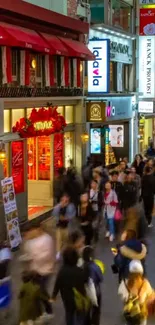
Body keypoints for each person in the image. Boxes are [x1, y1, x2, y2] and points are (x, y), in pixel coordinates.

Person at [20, 225, 54, 317]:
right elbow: (27, 252)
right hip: (34, 271)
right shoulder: (29, 240)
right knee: (36, 293)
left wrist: (33, 257)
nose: (28, 234)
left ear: (36, 229)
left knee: (42, 291)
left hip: (45, 271)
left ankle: (49, 310)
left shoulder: (47, 239)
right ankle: (38, 312)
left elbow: (47, 256)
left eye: (30, 231)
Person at [52, 247, 90, 325]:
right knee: (80, 315)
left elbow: (57, 284)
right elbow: (86, 280)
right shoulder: (79, 271)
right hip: (79, 298)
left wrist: (54, 296)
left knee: (69, 314)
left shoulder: (62, 271)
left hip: (67, 299)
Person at [118, 260, 154, 325]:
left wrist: (129, 299)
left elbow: (121, 295)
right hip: (141, 315)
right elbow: (151, 297)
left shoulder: (124, 283)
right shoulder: (145, 284)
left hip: (130, 314)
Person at [82, 246, 104, 325]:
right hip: (96, 291)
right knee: (96, 311)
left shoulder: (82, 266)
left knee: (86, 311)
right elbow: (101, 278)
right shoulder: (95, 266)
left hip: (84, 292)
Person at [52, 194, 76, 259]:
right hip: (59, 226)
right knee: (58, 239)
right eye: (63, 200)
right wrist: (59, 218)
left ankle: (64, 251)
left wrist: (67, 218)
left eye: (66, 200)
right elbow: (54, 215)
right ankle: (58, 252)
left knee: (66, 240)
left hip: (67, 226)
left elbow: (73, 214)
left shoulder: (71, 206)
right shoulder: (57, 207)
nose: (64, 201)